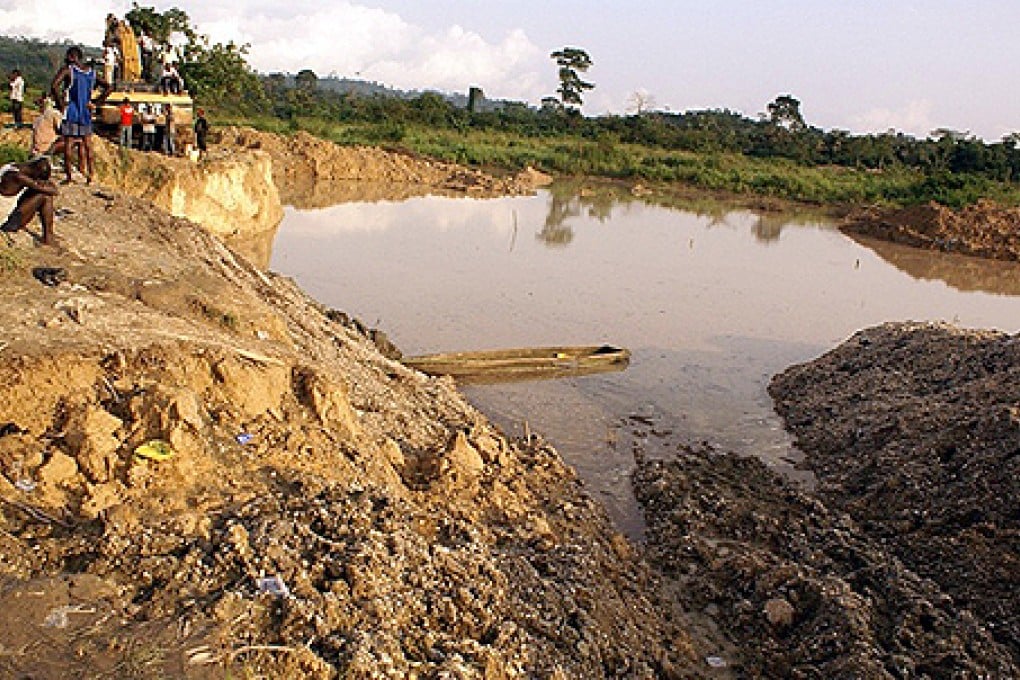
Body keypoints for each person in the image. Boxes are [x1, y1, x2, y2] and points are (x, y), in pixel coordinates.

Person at [51, 46, 111, 184]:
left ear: (72, 56)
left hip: (72, 110)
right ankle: (91, 175)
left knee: (69, 145)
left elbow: (54, 85)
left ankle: (69, 177)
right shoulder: (92, 73)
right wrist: (97, 102)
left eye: (68, 56)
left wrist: (60, 103)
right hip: (86, 111)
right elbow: (109, 87)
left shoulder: (68, 70)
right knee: (87, 145)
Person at [0, 157, 58, 246]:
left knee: (37, 191)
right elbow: (54, 191)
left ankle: (48, 237)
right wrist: (44, 184)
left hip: (4, 209)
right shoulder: (20, 177)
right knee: (45, 196)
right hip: (4, 222)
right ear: (36, 173)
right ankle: (48, 237)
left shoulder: (11, 166)